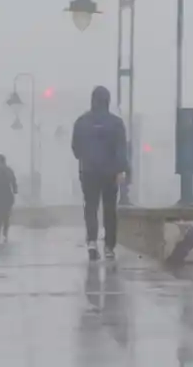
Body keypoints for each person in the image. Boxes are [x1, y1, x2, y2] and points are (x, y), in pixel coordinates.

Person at [71, 85, 129, 261]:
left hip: (88, 171)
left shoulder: (81, 121)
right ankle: (109, 246)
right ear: (108, 101)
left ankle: (92, 242)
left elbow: (75, 148)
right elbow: (121, 149)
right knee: (110, 209)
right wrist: (121, 170)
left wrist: (85, 158)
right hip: (110, 173)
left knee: (91, 207)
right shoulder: (116, 123)